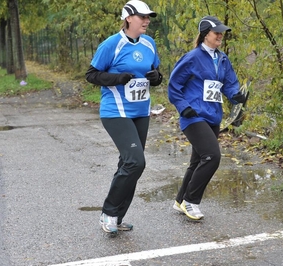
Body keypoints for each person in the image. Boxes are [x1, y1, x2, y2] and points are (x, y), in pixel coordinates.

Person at [85, 0, 162, 234]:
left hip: (141, 112)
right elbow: (91, 75)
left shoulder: (149, 43)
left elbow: (158, 74)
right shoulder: (112, 44)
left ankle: (117, 217)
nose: (147, 20)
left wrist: (156, 77)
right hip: (115, 112)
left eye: (149, 17)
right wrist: (117, 78)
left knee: (129, 164)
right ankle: (108, 213)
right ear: (129, 18)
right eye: (142, 17)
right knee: (135, 161)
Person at [168, 16, 246, 220]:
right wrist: (184, 108)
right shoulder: (192, 57)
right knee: (212, 156)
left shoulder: (222, 58)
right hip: (193, 116)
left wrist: (235, 95)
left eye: (222, 32)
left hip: (213, 116)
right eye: (216, 32)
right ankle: (190, 202)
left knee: (197, 161)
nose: (220, 35)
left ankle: (179, 201)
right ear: (205, 35)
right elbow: (173, 86)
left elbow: (229, 83)